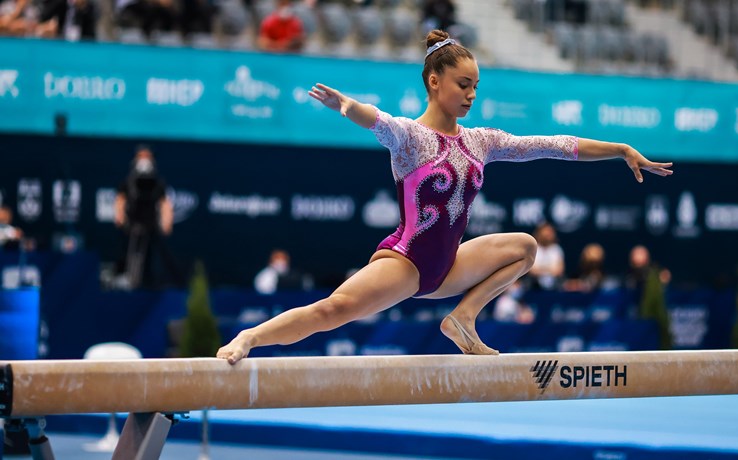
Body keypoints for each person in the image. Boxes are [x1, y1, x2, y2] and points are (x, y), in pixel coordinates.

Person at [217, 30, 673, 363]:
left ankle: (462, 318)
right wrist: (345, 105)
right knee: (333, 309)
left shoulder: (481, 141)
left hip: (451, 265)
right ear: (434, 82)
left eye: (476, 86)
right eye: (463, 84)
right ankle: (250, 339)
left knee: (525, 248)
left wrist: (618, 150)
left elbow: (550, 145)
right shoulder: (412, 139)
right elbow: (378, 120)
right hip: (408, 262)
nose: (471, 94)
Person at [114, 145, 180, 289]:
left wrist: (167, 222)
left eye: (147, 157)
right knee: (128, 257)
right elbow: (120, 200)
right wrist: (119, 216)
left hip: (151, 228)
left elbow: (165, 204)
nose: (144, 161)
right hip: (131, 227)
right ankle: (127, 281)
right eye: (141, 157)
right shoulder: (128, 181)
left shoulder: (158, 182)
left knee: (152, 261)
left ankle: (150, 286)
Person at [528, 221, 564, 290]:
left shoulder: (557, 249)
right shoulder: (533, 248)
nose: (548, 234)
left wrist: (542, 270)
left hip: (554, 283)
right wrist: (549, 270)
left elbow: (559, 270)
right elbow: (531, 271)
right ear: (539, 233)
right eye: (545, 232)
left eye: (550, 232)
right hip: (534, 283)